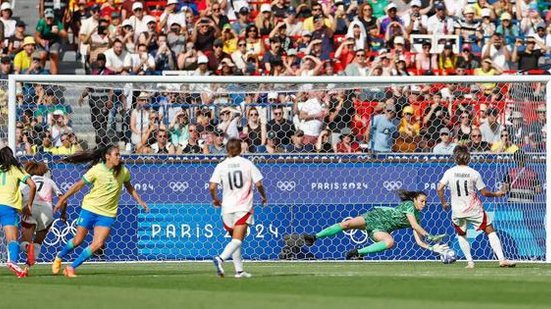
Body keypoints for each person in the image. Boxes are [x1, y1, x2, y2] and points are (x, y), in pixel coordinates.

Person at [51, 145, 149, 278]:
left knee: (98, 244)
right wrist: (62, 200)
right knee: (78, 240)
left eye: (119, 154)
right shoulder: (96, 170)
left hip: (107, 213)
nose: (119, 157)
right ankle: (59, 256)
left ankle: (71, 267)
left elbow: (129, 186)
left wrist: (140, 201)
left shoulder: (123, 171)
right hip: (90, 209)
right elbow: (78, 185)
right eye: (116, 155)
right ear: (107, 156)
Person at [303, 190, 449, 259]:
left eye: (425, 202)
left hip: (382, 228)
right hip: (375, 216)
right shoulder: (409, 205)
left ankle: (357, 253)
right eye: (421, 201)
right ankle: (314, 237)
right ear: (414, 199)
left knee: (390, 242)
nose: (424, 204)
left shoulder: (418, 218)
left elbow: (419, 241)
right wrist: (430, 236)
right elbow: (416, 227)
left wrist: (432, 247)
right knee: (347, 224)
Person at [436, 145, 516, 268]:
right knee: (489, 230)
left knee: (461, 234)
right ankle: (502, 259)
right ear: (468, 159)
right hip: (474, 209)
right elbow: (484, 193)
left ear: (456, 159)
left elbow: (439, 188)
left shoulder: (449, 172)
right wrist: (496, 194)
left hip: (457, 211)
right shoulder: (474, 173)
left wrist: (443, 202)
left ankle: (470, 262)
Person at [209, 138, 267, 278]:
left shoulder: (221, 165)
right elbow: (259, 184)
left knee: (234, 240)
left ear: (227, 150)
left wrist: (215, 199)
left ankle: (239, 271)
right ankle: (220, 258)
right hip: (242, 207)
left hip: (227, 208)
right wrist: (263, 196)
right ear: (241, 149)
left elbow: (212, 186)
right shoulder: (247, 164)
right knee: (238, 240)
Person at [20, 161, 65, 266]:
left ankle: (27, 248)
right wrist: (63, 213)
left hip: (31, 209)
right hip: (47, 211)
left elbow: (20, 195)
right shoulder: (49, 181)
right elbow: (64, 200)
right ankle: (27, 267)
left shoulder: (26, 181)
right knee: (37, 243)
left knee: (24, 243)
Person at [0, 146, 36, 278]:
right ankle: (13, 262)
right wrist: (29, 205)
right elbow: (32, 185)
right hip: (8, 206)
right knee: (12, 239)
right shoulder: (16, 169)